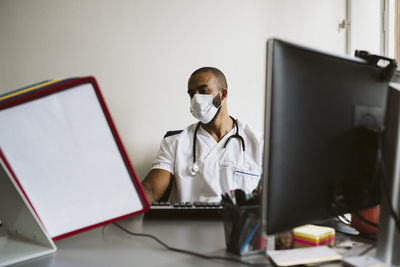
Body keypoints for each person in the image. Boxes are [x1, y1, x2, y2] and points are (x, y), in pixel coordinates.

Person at [141, 67, 263, 203]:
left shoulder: (260, 142)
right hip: (187, 223)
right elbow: (151, 190)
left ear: (223, 94)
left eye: (203, 91)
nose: (196, 99)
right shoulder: (174, 143)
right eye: (191, 94)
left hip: (236, 222)